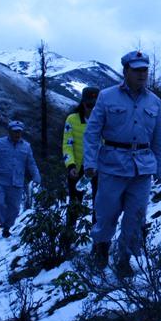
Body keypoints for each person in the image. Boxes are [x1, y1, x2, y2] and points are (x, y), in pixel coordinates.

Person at [83, 50, 161, 274]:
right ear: (125, 71)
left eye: (145, 70)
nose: (142, 74)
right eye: (137, 70)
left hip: (142, 168)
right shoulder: (106, 97)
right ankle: (101, 248)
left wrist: (160, 167)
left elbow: (159, 137)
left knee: (136, 216)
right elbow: (92, 133)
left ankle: (124, 258)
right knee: (107, 213)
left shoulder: (154, 101)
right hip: (112, 165)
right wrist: (89, 163)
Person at [63, 86, 100, 225]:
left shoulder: (103, 120)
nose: (91, 109)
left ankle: (97, 236)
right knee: (74, 204)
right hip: (77, 168)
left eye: (95, 105)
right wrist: (71, 165)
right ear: (83, 103)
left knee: (99, 204)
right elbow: (67, 145)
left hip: (98, 168)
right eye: (89, 105)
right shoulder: (72, 120)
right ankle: (69, 234)